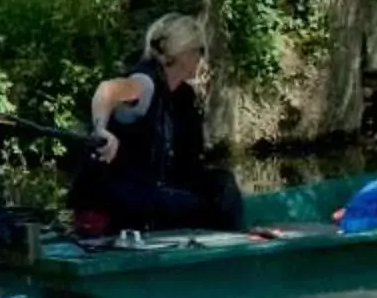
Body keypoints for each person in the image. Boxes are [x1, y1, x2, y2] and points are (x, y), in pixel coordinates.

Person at [69, 15, 246, 234]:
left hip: (153, 190)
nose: (202, 58)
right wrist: (101, 129)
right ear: (184, 52)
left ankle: (233, 242)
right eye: (199, 50)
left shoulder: (182, 96)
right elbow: (108, 90)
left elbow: (186, 165)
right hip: (117, 198)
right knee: (192, 207)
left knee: (222, 184)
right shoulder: (145, 83)